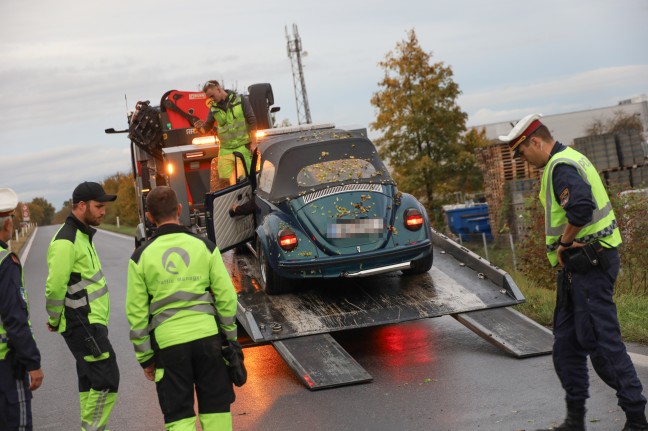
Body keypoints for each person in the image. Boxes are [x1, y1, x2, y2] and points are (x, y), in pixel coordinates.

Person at [499, 114, 647, 431]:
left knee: (604, 346)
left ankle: (637, 419)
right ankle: (574, 421)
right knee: (566, 345)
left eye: (522, 153)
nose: (523, 160)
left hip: (590, 263)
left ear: (534, 141)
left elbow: (580, 207)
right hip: (576, 269)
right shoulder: (567, 160)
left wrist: (564, 243)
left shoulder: (561, 166)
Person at [126, 186, 239, 430]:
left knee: (179, 416)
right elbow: (226, 297)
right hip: (208, 339)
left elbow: (136, 313)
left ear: (149, 216)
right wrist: (230, 337)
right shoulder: (205, 246)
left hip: (169, 346)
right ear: (179, 210)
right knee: (217, 410)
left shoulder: (139, 257)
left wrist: (146, 357)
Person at [45, 181, 120, 431]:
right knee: (108, 379)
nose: (103, 211)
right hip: (82, 323)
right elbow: (55, 287)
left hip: (89, 322)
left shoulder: (81, 235)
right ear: (81, 206)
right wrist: (55, 319)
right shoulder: (66, 240)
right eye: (98, 206)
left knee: (90, 381)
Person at [0, 188, 43, 431]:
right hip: (5, 368)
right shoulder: (5, 263)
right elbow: (15, 320)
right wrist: (32, 362)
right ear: (7, 223)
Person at [197, 80, 257, 186]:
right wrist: (199, 129)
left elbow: (252, 121)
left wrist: (253, 143)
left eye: (212, 96)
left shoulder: (240, 100)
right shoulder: (213, 108)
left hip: (243, 147)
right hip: (225, 150)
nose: (211, 99)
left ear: (218, 89)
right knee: (224, 183)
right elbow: (206, 128)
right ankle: (231, 203)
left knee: (242, 180)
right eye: (209, 97)